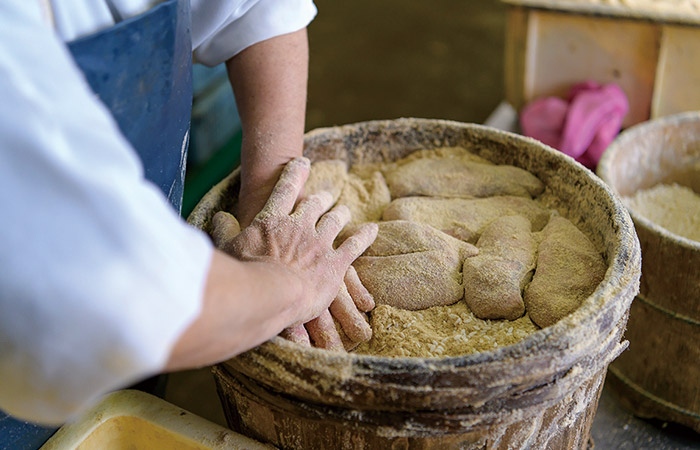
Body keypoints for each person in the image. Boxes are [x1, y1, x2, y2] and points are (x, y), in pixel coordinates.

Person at [0, 0, 377, 444]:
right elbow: (107, 302)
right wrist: (288, 284)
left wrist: (266, 203)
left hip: (137, 344)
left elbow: (257, 8)